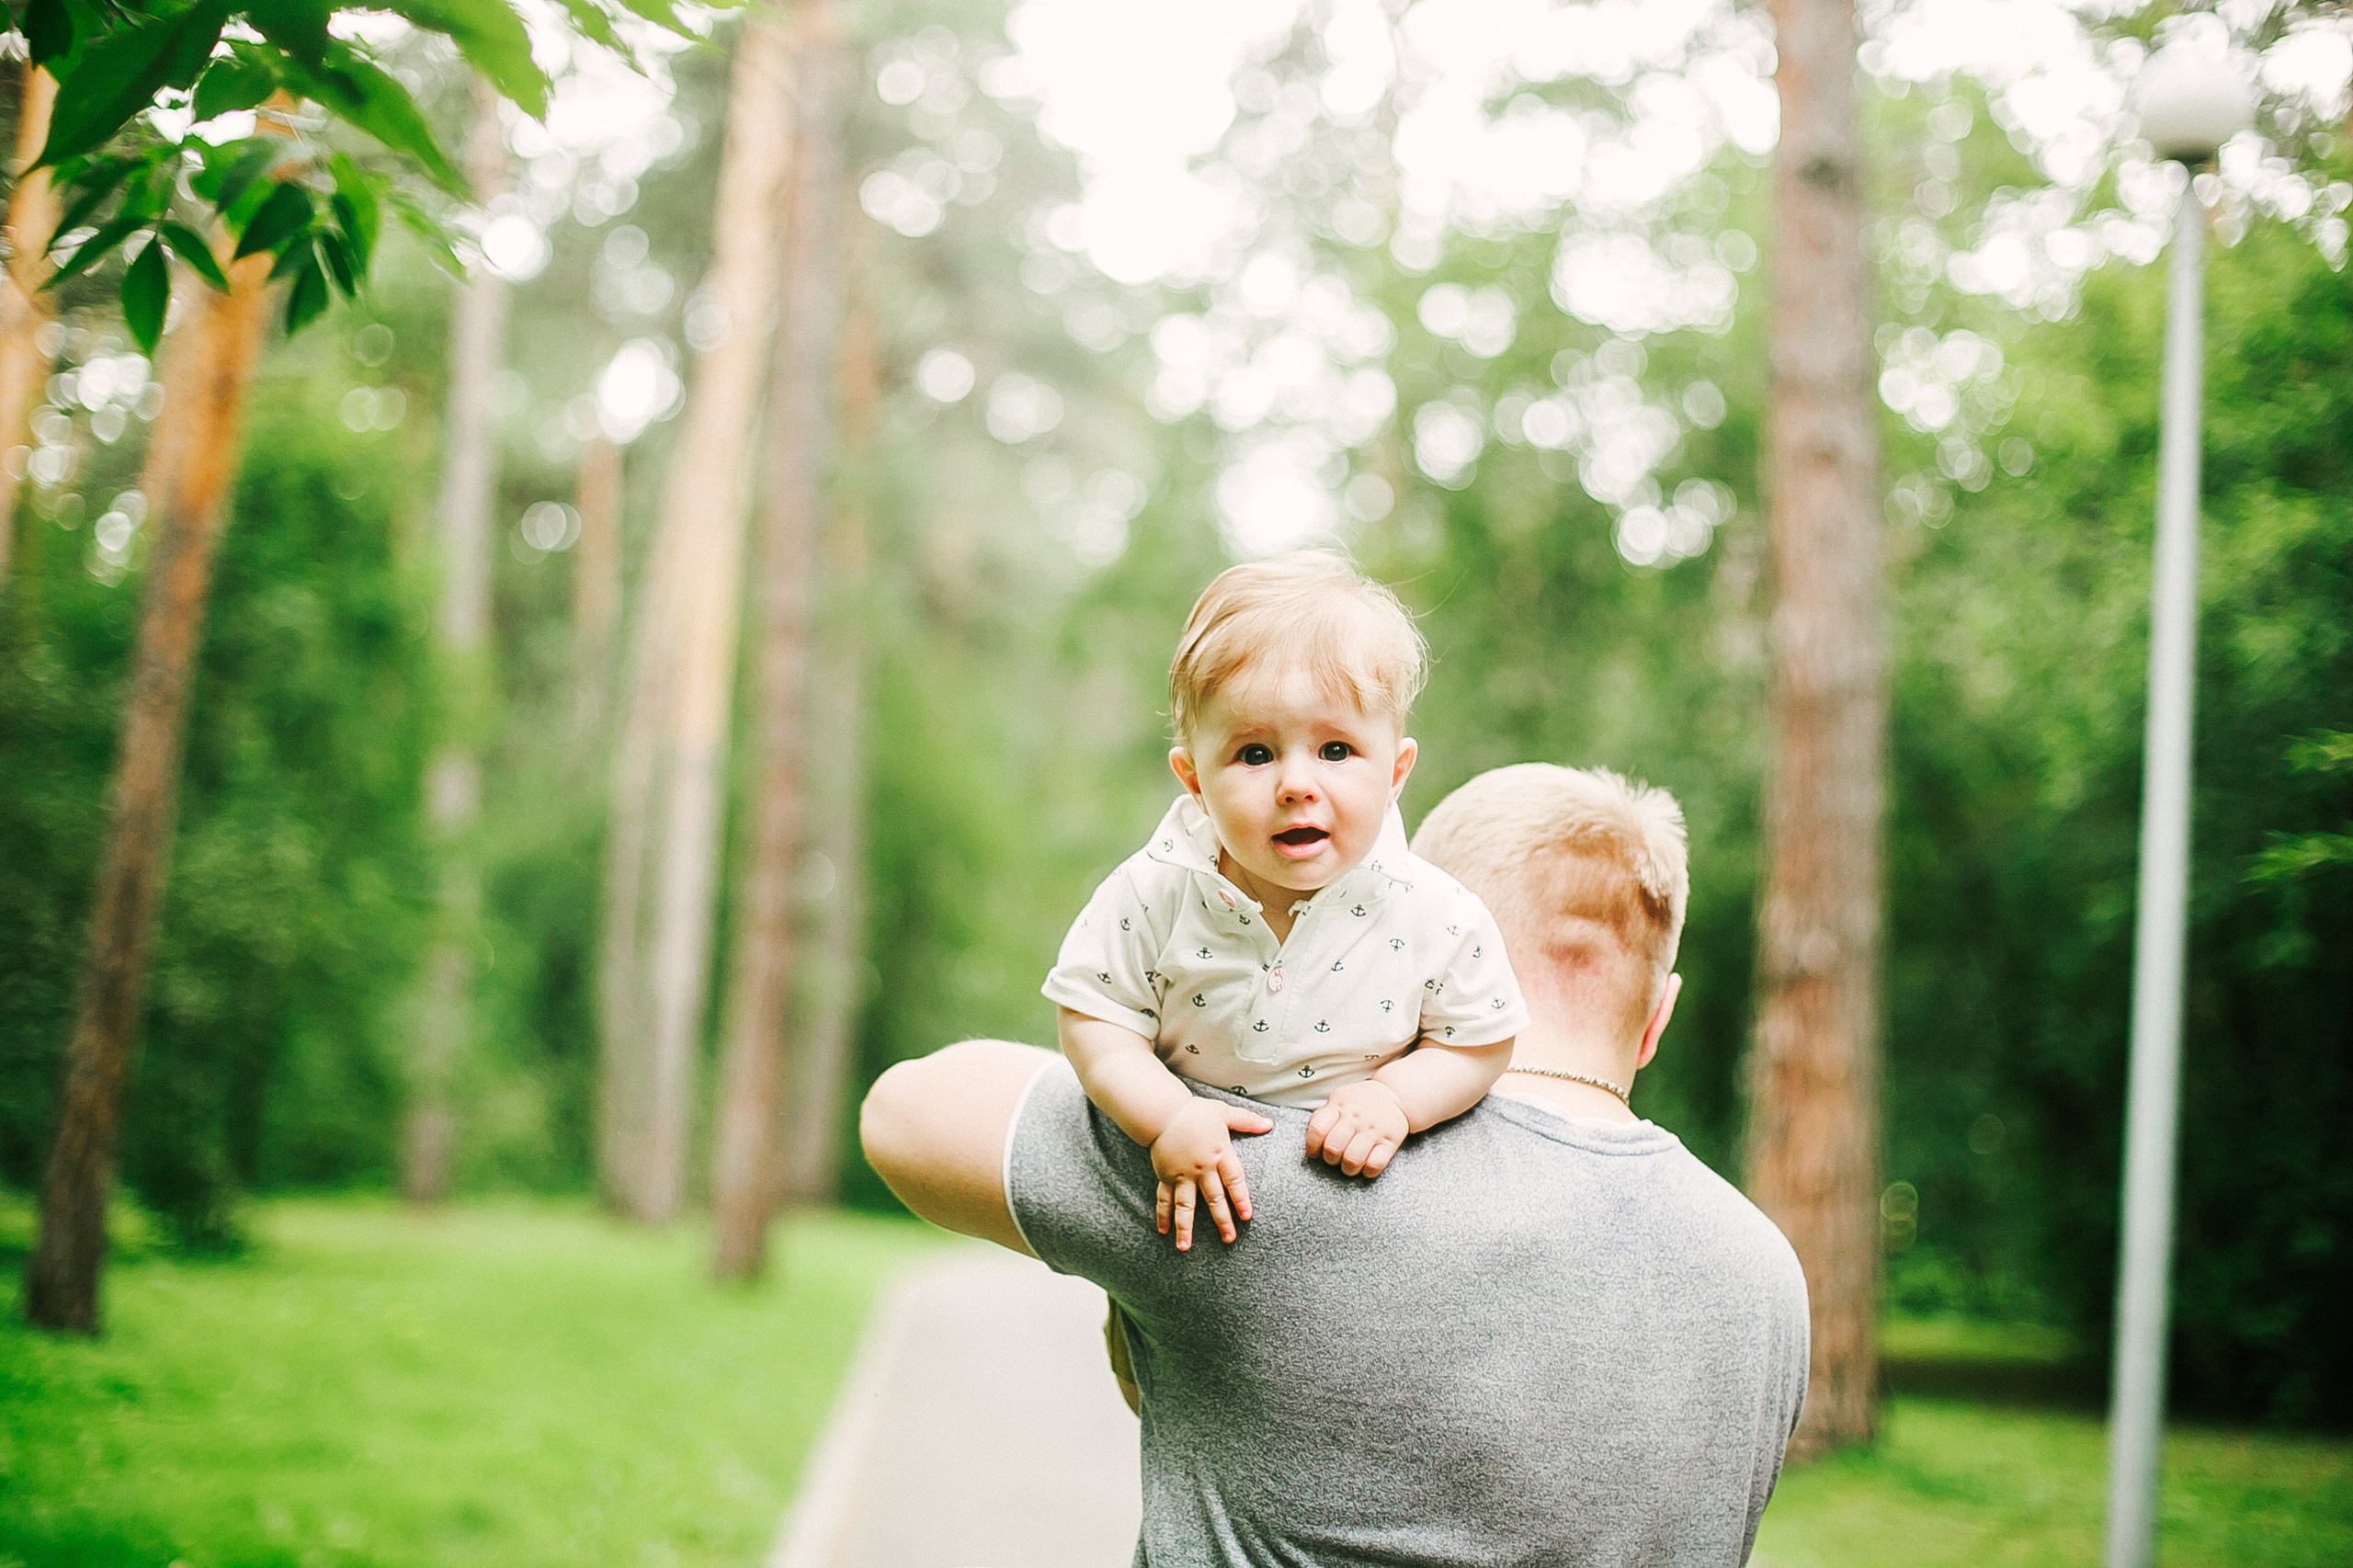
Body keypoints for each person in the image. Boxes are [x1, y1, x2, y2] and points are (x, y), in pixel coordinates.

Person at [862, 764, 1809, 1565]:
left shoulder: (1266, 1174)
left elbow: (908, 1111)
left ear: (1409, 953)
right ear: (1658, 1016)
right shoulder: (1765, 1275)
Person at [1045, 551, 1526, 1251]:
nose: (1297, 783)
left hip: (1357, 1238)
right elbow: (1095, 1017)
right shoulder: (1154, 890)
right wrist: (1166, 1117)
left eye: (1335, 750)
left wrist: (1397, 1097)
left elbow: (1483, 1037)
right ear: (1195, 780)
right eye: (1255, 754)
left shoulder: (1434, 913)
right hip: (1179, 1229)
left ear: (1395, 772)